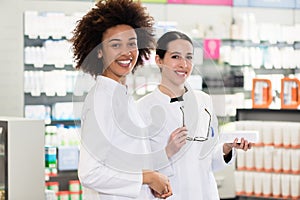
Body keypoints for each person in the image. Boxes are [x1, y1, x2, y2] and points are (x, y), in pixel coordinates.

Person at [70, 1, 187, 199]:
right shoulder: (101, 101)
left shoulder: (121, 96)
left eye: (132, 43)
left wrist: (150, 184)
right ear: (99, 50)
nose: (126, 52)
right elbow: (90, 173)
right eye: (115, 44)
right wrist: (147, 178)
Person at [137, 31, 252, 199]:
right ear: (159, 60)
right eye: (175, 57)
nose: (184, 64)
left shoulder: (203, 101)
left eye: (189, 57)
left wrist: (227, 148)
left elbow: (210, 160)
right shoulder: (142, 109)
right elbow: (140, 169)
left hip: (204, 193)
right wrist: (168, 151)